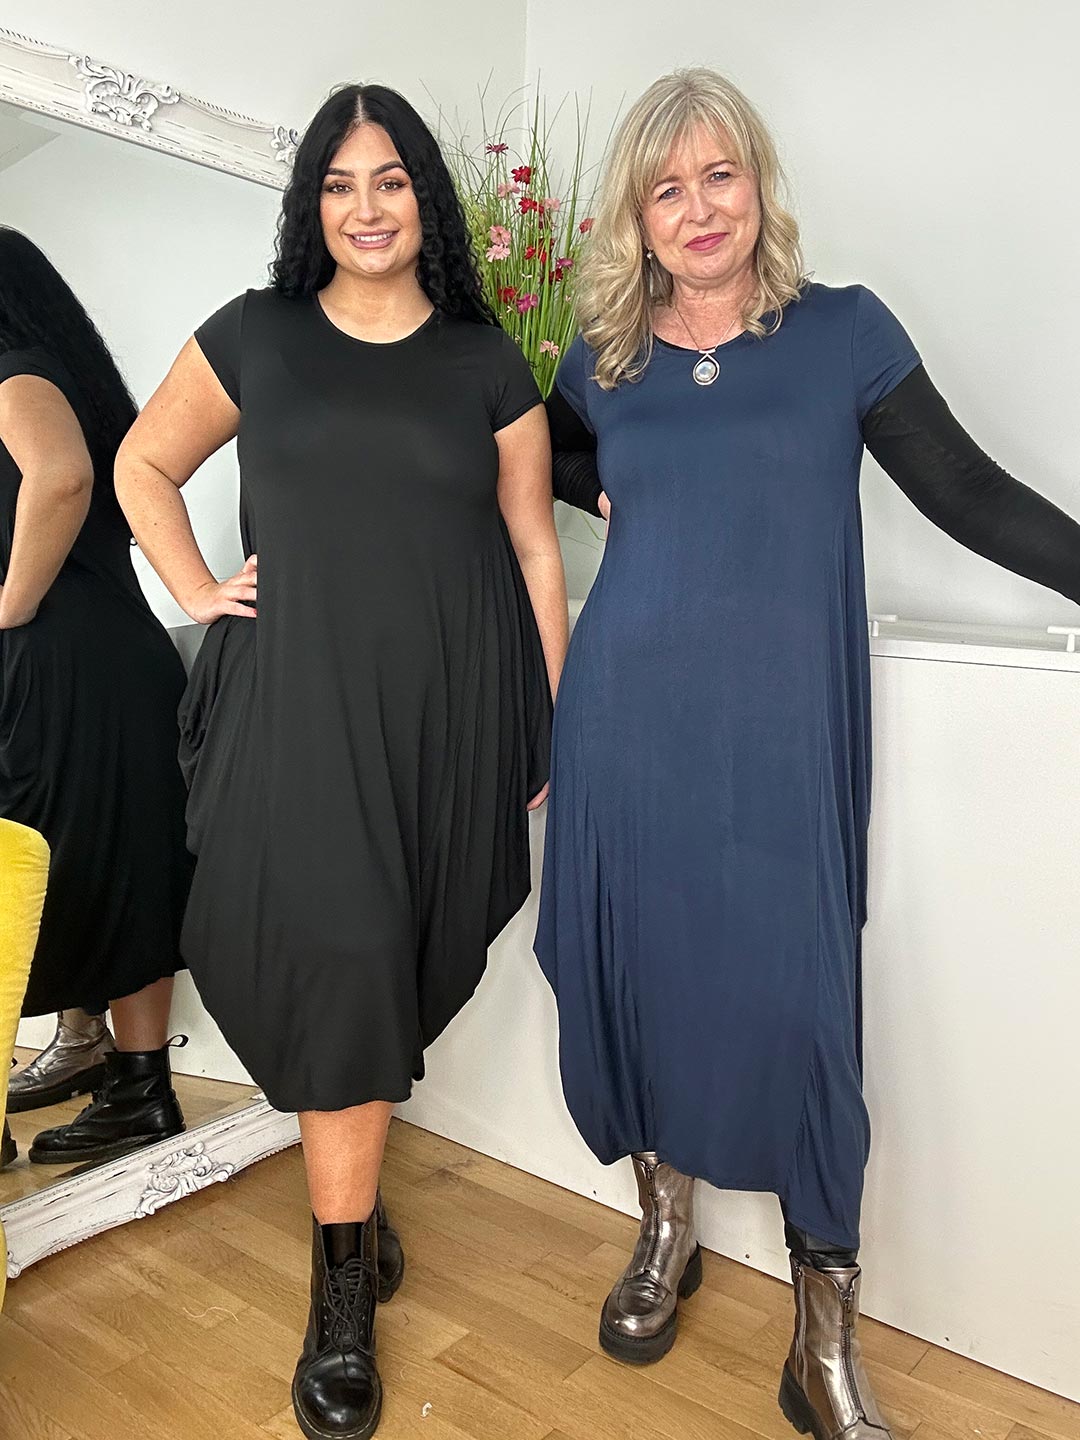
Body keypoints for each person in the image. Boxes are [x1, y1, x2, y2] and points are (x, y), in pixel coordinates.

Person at [537, 67, 1080, 1440]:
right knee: (640, 978)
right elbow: (531, 467)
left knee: (802, 1014)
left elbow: (963, 491)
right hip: (625, 731)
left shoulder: (842, 334)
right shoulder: (600, 363)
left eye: (719, 174)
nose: (698, 207)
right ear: (637, 220)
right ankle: (666, 1230)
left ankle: (818, 1342)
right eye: (667, 188)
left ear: (759, 184)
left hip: (779, 742)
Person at [115, 83, 566, 1440]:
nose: (365, 207)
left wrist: (544, 715)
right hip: (295, 710)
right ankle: (339, 1291)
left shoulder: (487, 362)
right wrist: (197, 586)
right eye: (337, 184)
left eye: (389, 180)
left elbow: (536, 548)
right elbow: (142, 463)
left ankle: (349, 1231)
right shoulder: (257, 338)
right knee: (335, 956)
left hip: (442, 710)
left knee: (391, 958)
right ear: (312, 205)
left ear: (427, 196)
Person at [0, 229, 191, 1168]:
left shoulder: (11, 365)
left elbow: (61, 476)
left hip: (60, 664)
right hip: (111, 661)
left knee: (40, 870)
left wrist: (10, 600)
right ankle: (134, 1085)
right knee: (119, 864)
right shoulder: (62, 368)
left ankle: (124, 1088)